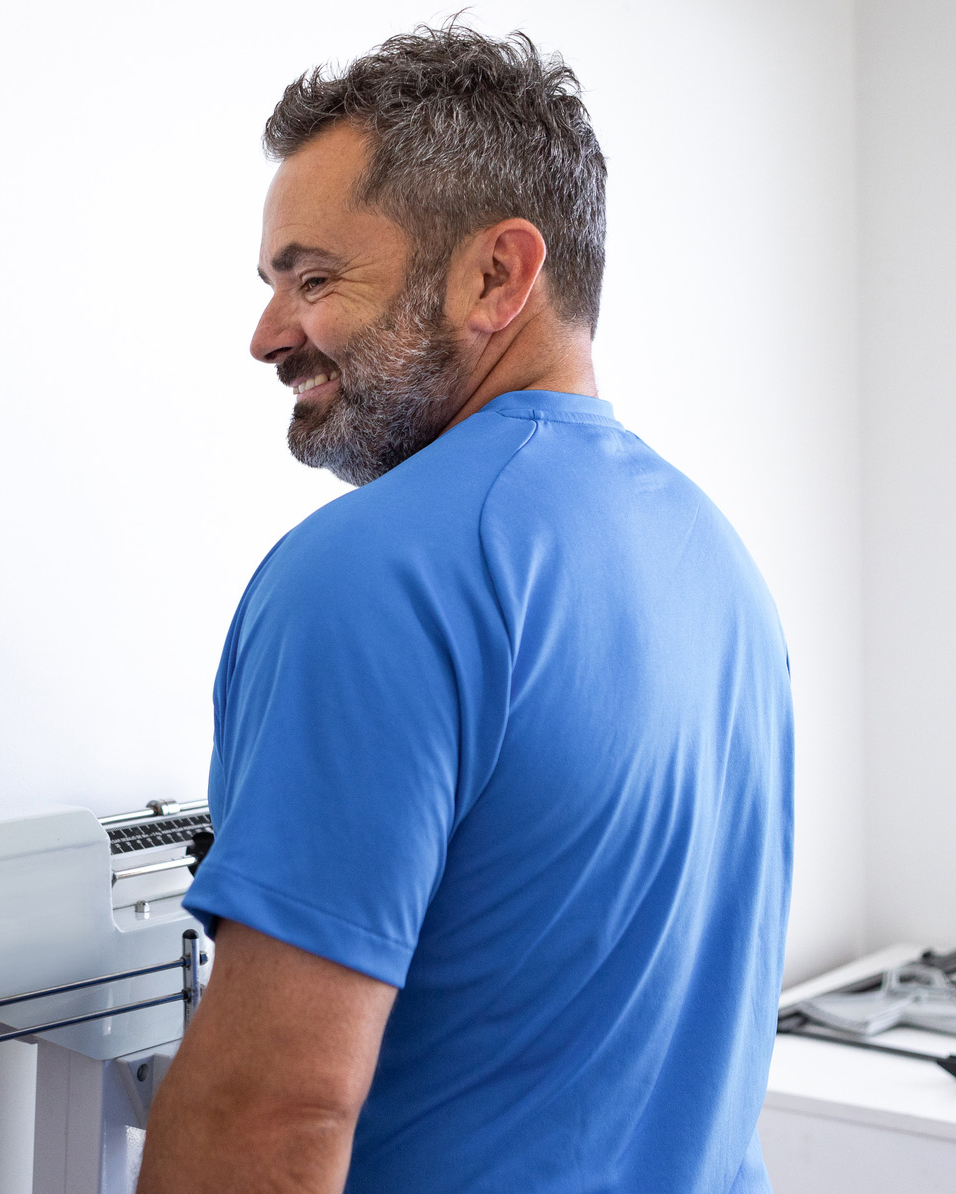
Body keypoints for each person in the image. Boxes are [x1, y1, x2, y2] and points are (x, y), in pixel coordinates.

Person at [139, 26, 793, 1194]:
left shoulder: (370, 575)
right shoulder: (719, 565)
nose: (267, 333)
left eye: (316, 276)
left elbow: (269, 1117)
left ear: (496, 275)